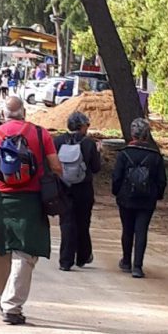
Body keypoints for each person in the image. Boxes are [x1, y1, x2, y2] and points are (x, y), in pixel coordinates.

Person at [0, 96, 63, 325]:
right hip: (32, 201)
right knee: (25, 252)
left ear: (4, 114)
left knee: (1, 246)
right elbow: (56, 167)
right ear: (24, 112)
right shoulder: (42, 135)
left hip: (1, 200)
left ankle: (0, 293)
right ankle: (12, 307)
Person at [111, 118, 167, 278]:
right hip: (147, 199)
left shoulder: (124, 154)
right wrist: (157, 195)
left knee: (127, 229)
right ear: (147, 135)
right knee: (141, 230)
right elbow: (161, 180)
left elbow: (116, 177)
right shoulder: (155, 156)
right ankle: (138, 266)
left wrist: (117, 192)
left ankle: (126, 261)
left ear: (132, 134)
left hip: (126, 197)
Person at [54, 112, 102, 271]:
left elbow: (51, 165)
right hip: (84, 189)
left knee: (67, 223)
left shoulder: (58, 141)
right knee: (83, 222)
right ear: (81, 126)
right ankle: (82, 256)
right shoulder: (88, 143)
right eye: (86, 125)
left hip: (63, 187)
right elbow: (95, 168)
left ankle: (65, 261)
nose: (87, 128)